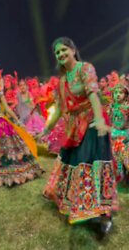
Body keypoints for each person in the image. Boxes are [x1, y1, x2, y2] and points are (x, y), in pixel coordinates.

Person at [38, 37, 116, 237]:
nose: (61, 55)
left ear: (73, 50)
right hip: (74, 129)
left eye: (64, 50)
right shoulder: (62, 81)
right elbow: (58, 111)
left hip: (91, 124)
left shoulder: (85, 69)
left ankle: (105, 216)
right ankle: (80, 207)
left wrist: (99, 119)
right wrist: (46, 130)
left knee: (91, 166)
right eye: (57, 53)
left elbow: (93, 94)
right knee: (72, 164)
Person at [0, 75, 43, 187]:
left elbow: (7, 109)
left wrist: (17, 121)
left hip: (1, 123)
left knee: (8, 146)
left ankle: (13, 167)